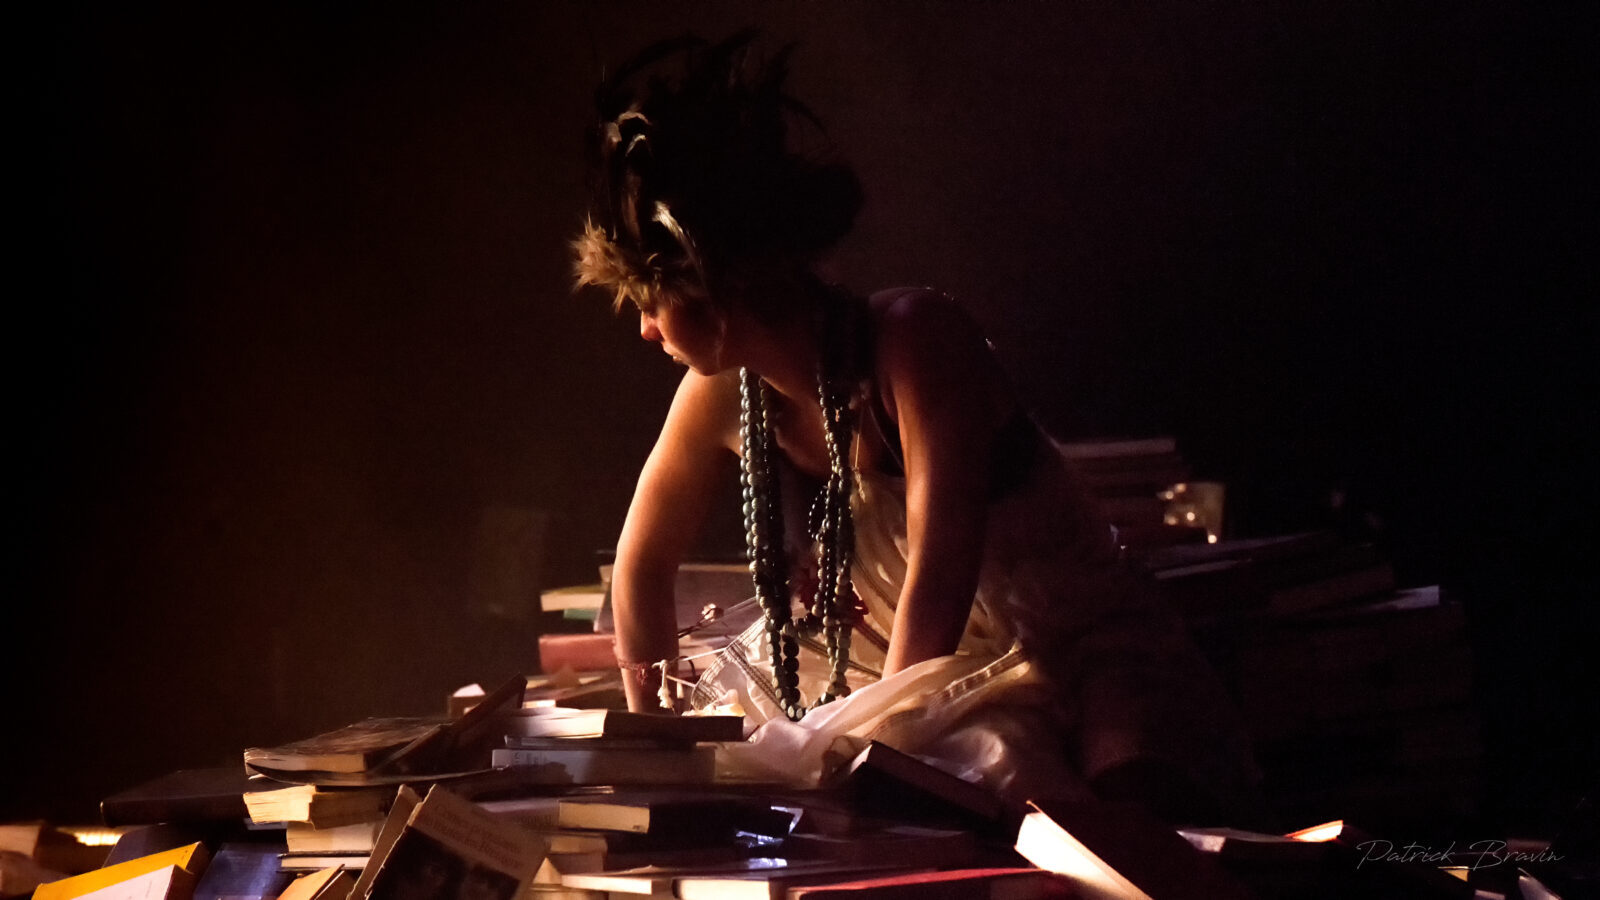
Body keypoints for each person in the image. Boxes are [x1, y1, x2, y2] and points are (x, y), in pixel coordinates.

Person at [573, 31, 1262, 826]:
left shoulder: (916, 341)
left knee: (1104, 822)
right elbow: (641, 567)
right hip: (896, 674)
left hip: (1063, 646)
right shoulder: (718, 393)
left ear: (717, 286)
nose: (645, 329)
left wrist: (880, 758)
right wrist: (656, 740)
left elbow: (939, 580)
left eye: (651, 302)